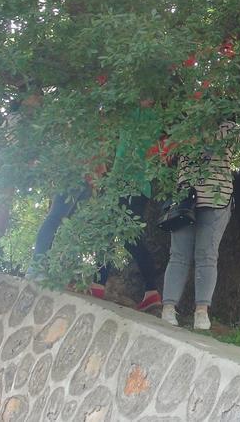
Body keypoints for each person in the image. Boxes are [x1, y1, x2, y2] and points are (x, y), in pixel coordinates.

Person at [31, 101, 163, 311]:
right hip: (124, 183)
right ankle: (102, 285)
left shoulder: (144, 114)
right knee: (110, 233)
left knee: (126, 237)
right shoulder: (137, 111)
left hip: (131, 184)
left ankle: (148, 289)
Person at [160, 121, 238, 331]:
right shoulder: (180, 125)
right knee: (178, 254)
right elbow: (168, 154)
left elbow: (214, 146)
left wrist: (189, 136)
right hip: (185, 198)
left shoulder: (230, 127)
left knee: (207, 255)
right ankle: (168, 307)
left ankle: (201, 311)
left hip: (217, 198)